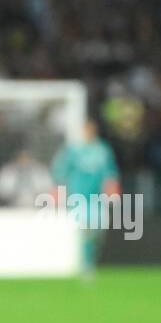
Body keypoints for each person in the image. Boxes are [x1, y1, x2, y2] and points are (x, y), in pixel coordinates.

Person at [50, 118, 120, 275]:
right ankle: (85, 266)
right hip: (78, 199)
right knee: (84, 231)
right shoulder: (73, 150)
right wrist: (57, 192)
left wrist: (113, 191)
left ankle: (89, 261)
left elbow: (110, 173)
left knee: (97, 234)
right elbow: (60, 171)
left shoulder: (102, 150)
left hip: (98, 200)